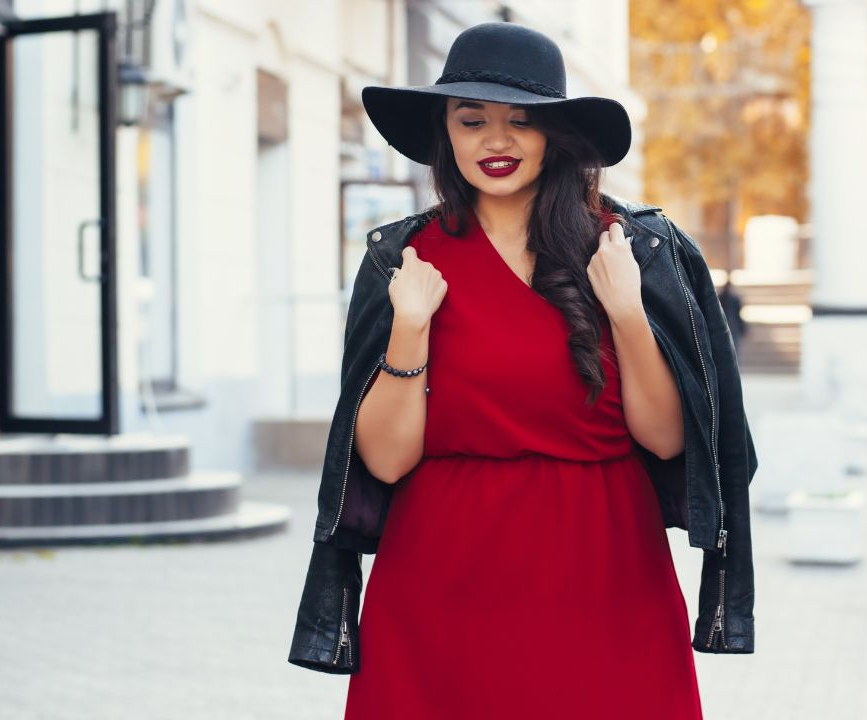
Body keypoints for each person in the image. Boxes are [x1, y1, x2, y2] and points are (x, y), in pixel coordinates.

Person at [286, 22, 757, 720]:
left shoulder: (629, 249)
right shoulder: (405, 259)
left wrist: (626, 311)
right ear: (446, 131)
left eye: (520, 122)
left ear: (555, 135)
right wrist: (411, 327)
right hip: (439, 587)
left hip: (605, 580)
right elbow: (383, 461)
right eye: (471, 120)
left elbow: (665, 441)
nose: (494, 140)